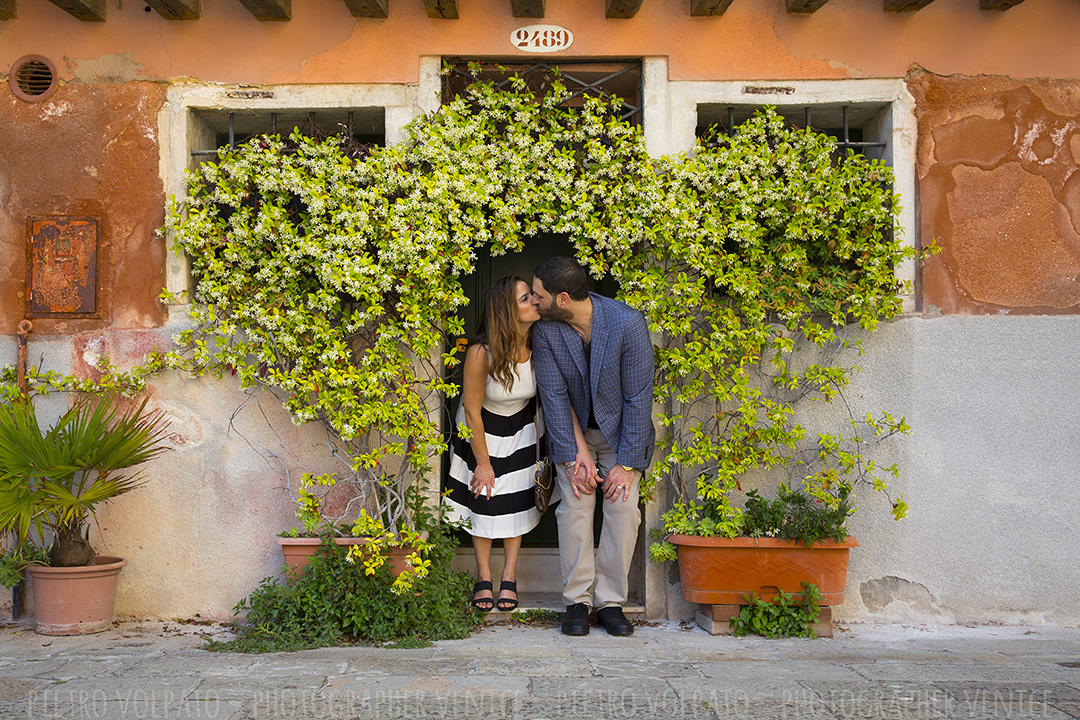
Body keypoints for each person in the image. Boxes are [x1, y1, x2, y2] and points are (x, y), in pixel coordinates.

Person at [531, 257, 655, 637]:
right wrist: (574, 454)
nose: (534, 302)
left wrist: (628, 465)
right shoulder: (547, 331)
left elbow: (638, 397)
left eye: (538, 296)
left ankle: (611, 602)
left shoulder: (627, 323)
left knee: (623, 509)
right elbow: (553, 396)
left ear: (563, 298)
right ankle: (577, 602)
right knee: (576, 509)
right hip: (575, 435)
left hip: (622, 436)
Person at [444, 276, 554, 612]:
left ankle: (509, 577)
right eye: (526, 298)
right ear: (507, 310)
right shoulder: (481, 352)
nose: (535, 301)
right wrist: (483, 463)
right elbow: (473, 411)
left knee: (517, 502)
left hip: (521, 427)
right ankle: (483, 578)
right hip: (481, 428)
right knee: (484, 499)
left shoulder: (540, 342)